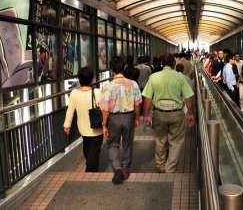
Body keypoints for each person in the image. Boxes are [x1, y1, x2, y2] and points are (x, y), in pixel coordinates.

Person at [142, 53, 195, 173]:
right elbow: (188, 98)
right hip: (176, 114)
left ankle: (160, 166)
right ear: (174, 64)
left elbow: (148, 99)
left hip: (159, 114)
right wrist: (191, 114)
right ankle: (170, 169)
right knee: (175, 142)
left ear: (162, 64)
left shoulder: (154, 77)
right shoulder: (180, 77)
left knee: (160, 140)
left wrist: (146, 116)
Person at [100, 56, 142, 184]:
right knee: (128, 143)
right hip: (129, 116)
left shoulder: (108, 86)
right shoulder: (133, 84)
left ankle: (116, 166)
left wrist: (104, 124)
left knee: (113, 144)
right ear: (125, 67)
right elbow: (137, 103)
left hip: (113, 118)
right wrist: (136, 118)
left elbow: (105, 108)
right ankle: (125, 170)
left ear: (111, 69)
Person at [63, 66, 103, 172]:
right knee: (95, 149)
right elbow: (104, 110)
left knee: (86, 147)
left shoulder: (74, 93)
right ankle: (91, 170)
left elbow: (70, 110)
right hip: (97, 127)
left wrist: (67, 125)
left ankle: (89, 164)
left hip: (83, 127)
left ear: (79, 79)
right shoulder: (97, 92)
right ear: (91, 79)